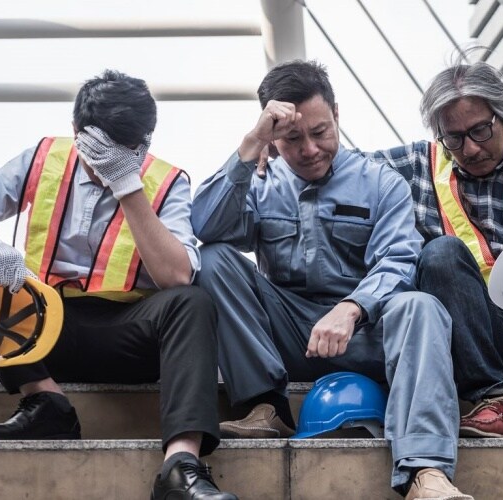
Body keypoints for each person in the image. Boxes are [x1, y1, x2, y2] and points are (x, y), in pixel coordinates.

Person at [191, 59, 473, 500]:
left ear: (337, 115)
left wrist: (353, 308)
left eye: (319, 132)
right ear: (273, 137)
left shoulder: (382, 183)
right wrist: (250, 145)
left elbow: (399, 260)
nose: (308, 150)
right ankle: (265, 406)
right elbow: (204, 228)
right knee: (214, 259)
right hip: (287, 337)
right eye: (291, 138)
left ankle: (426, 472)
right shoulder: (261, 181)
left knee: (419, 305)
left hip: (366, 335)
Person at [0, 70, 237, 500]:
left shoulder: (167, 181)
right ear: (76, 133)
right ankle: (46, 403)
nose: (112, 161)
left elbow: (176, 276)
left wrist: (128, 184)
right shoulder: (42, 158)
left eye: (131, 150)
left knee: (191, 302)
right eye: (102, 150)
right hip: (44, 329)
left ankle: (180, 464)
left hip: (130, 333)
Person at [368, 55, 503, 438]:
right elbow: (338, 168)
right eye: (453, 138)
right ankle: (492, 403)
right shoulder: (421, 163)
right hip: (482, 337)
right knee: (439, 254)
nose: (468, 149)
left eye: (480, 131)